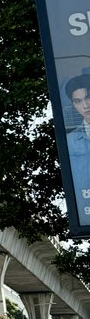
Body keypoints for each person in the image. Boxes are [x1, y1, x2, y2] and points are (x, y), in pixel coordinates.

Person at [64, 76, 90, 220]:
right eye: (78, 101)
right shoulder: (70, 142)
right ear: (74, 105)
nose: (85, 105)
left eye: (88, 97)